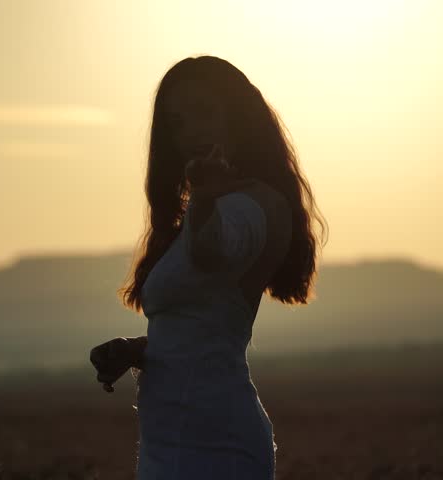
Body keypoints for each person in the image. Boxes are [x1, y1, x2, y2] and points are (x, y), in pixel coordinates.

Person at [89, 55, 327, 480]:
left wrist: (202, 200)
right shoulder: (205, 211)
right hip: (169, 441)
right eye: (177, 122)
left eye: (204, 113)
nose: (191, 132)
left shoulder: (256, 204)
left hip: (217, 444)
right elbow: (199, 329)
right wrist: (137, 349)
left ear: (237, 117)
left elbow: (214, 252)